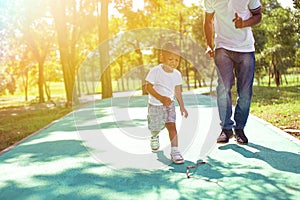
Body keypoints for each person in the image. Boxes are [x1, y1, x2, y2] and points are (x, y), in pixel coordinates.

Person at [203, 0, 262, 144]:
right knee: (223, 88)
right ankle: (226, 128)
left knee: (245, 91)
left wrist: (244, 23)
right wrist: (209, 45)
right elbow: (208, 21)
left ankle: (240, 128)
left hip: (246, 48)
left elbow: (258, 15)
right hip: (222, 46)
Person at [145, 42, 188, 164]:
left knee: (172, 126)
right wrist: (161, 98)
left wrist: (182, 107)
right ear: (162, 58)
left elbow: (177, 91)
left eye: (177, 60)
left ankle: (175, 151)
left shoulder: (177, 74)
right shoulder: (156, 71)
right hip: (155, 105)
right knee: (156, 127)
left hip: (169, 105)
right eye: (170, 59)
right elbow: (148, 87)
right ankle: (154, 136)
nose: (174, 62)